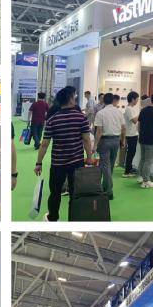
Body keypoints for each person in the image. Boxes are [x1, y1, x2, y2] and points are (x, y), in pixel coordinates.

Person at [35, 86, 95, 221]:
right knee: (75, 193)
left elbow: (44, 144)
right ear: (70, 100)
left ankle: (53, 217)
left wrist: (38, 163)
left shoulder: (52, 120)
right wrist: (89, 157)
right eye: (74, 97)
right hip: (77, 162)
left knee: (55, 192)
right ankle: (74, 218)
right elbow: (86, 139)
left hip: (58, 163)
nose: (75, 99)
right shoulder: (81, 118)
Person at [94, 93, 125, 199]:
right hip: (116, 140)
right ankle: (105, 187)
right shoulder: (119, 112)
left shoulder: (101, 113)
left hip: (104, 141)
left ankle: (108, 191)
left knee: (105, 165)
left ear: (103, 101)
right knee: (110, 165)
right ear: (113, 100)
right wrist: (123, 140)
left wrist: (95, 145)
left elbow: (99, 131)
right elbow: (123, 128)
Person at [120, 91, 141, 178]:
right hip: (130, 134)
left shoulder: (131, 108)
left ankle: (129, 168)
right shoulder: (129, 109)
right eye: (137, 99)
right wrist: (141, 113)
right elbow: (134, 120)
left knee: (132, 152)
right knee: (131, 153)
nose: (137, 101)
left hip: (133, 133)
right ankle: (127, 172)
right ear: (133, 99)